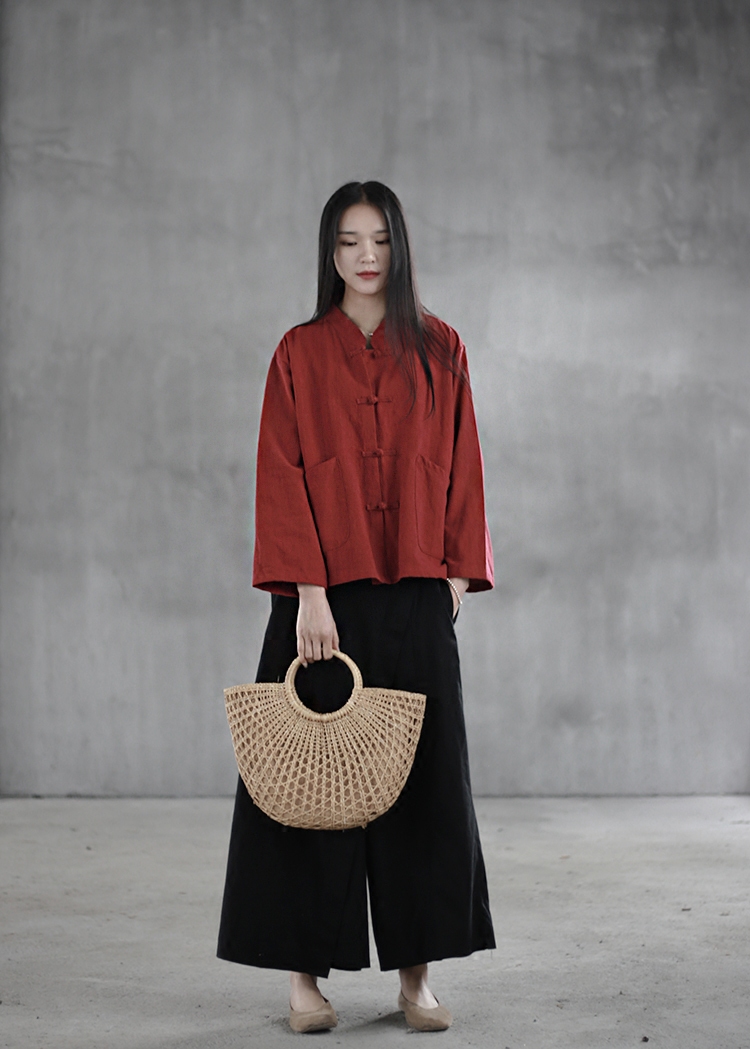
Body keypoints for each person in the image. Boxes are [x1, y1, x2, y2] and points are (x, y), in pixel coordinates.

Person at [217, 181, 495, 1034]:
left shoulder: (441, 348)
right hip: (322, 602)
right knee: (305, 782)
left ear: (399, 246)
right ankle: (304, 981)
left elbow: (464, 462)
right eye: (348, 241)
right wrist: (307, 592)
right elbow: (281, 470)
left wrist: (455, 578)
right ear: (329, 252)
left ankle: (417, 978)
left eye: (379, 239)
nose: (365, 256)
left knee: (426, 785)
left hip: (416, 589)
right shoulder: (298, 353)